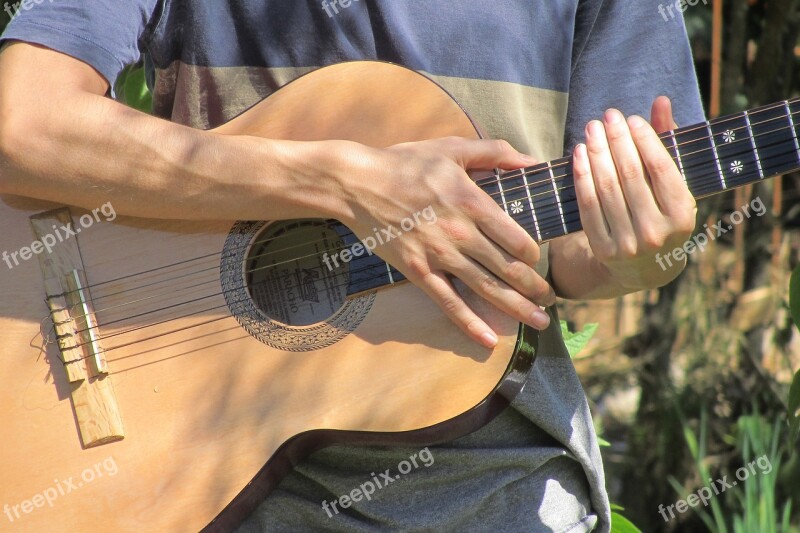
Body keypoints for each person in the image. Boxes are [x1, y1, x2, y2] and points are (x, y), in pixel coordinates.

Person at [0, 1, 705, 531]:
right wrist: (343, 181)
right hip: (196, 475)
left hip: (496, 484)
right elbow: (23, 121)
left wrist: (637, 258)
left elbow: (586, 254)